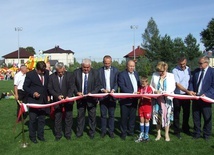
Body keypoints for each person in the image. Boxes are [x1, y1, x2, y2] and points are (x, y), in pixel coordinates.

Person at [73, 58, 102, 139]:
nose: (86, 69)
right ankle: (79, 132)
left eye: (87, 67)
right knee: (80, 116)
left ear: (90, 66)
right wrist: (77, 92)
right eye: (84, 67)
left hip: (91, 99)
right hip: (80, 99)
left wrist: (92, 93)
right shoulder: (76, 73)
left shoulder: (95, 73)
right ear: (81, 66)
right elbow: (73, 85)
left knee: (92, 117)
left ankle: (92, 133)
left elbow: (99, 85)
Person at [23, 61, 49, 144]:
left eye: (44, 70)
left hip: (43, 100)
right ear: (37, 69)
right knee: (33, 120)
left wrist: (48, 95)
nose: (43, 72)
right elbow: (25, 87)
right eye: (41, 71)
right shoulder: (30, 74)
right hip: (34, 101)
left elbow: (46, 85)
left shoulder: (46, 73)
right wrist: (33, 93)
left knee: (42, 119)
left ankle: (41, 136)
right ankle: (32, 137)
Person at [189, 56, 214, 141]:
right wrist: (191, 90)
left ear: (206, 63)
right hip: (196, 98)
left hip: (206, 99)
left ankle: (207, 135)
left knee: (207, 117)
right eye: (199, 63)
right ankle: (197, 133)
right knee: (196, 117)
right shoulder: (196, 71)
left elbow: (213, 87)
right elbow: (191, 82)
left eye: (201, 63)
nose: (199, 65)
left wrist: (206, 94)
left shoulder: (212, 72)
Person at [48, 62, 74, 141]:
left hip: (68, 100)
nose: (61, 73)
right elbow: (50, 89)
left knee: (68, 117)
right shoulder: (51, 77)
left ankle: (68, 134)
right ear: (56, 70)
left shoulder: (70, 75)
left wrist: (68, 96)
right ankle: (58, 135)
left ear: (64, 69)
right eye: (59, 72)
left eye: (62, 72)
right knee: (58, 117)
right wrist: (57, 96)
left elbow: (71, 87)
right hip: (57, 101)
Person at [150, 61, 175, 142]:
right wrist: (155, 91)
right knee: (157, 117)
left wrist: (166, 92)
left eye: (162, 71)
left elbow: (173, 87)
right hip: (157, 100)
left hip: (167, 100)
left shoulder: (171, 76)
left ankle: (167, 134)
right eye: (159, 71)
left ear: (165, 69)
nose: (160, 72)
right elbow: (151, 86)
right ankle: (158, 134)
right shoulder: (155, 75)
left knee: (167, 116)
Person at [118, 60, 141, 140]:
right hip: (125, 100)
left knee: (132, 117)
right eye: (130, 66)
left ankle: (131, 132)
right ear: (126, 66)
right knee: (124, 118)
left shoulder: (136, 74)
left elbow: (139, 84)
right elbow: (122, 86)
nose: (132, 68)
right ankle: (123, 133)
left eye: (133, 66)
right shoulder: (121, 74)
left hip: (134, 99)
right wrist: (132, 93)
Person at [98, 55, 119, 138]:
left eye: (108, 63)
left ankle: (111, 131)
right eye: (105, 63)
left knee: (111, 115)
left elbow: (117, 82)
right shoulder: (99, 71)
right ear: (103, 62)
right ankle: (103, 131)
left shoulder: (116, 70)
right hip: (103, 96)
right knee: (103, 115)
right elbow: (97, 83)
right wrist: (102, 89)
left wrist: (114, 89)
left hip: (112, 95)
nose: (107, 65)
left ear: (111, 62)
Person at [172, 56, 192, 139]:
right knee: (177, 113)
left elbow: (190, 81)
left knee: (186, 112)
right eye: (181, 64)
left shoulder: (189, 69)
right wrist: (188, 91)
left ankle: (185, 128)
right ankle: (176, 131)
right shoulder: (175, 70)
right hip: (177, 94)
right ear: (178, 63)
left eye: (184, 64)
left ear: (186, 62)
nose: (182, 65)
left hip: (186, 95)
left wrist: (190, 91)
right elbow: (177, 84)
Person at [135, 76, 153, 142]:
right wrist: (136, 94)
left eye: (143, 83)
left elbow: (150, 97)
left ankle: (146, 134)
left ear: (147, 82)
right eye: (141, 83)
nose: (142, 84)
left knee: (147, 120)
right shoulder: (140, 88)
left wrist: (142, 95)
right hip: (141, 106)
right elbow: (138, 96)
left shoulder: (149, 88)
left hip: (147, 106)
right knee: (141, 120)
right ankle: (142, 133)